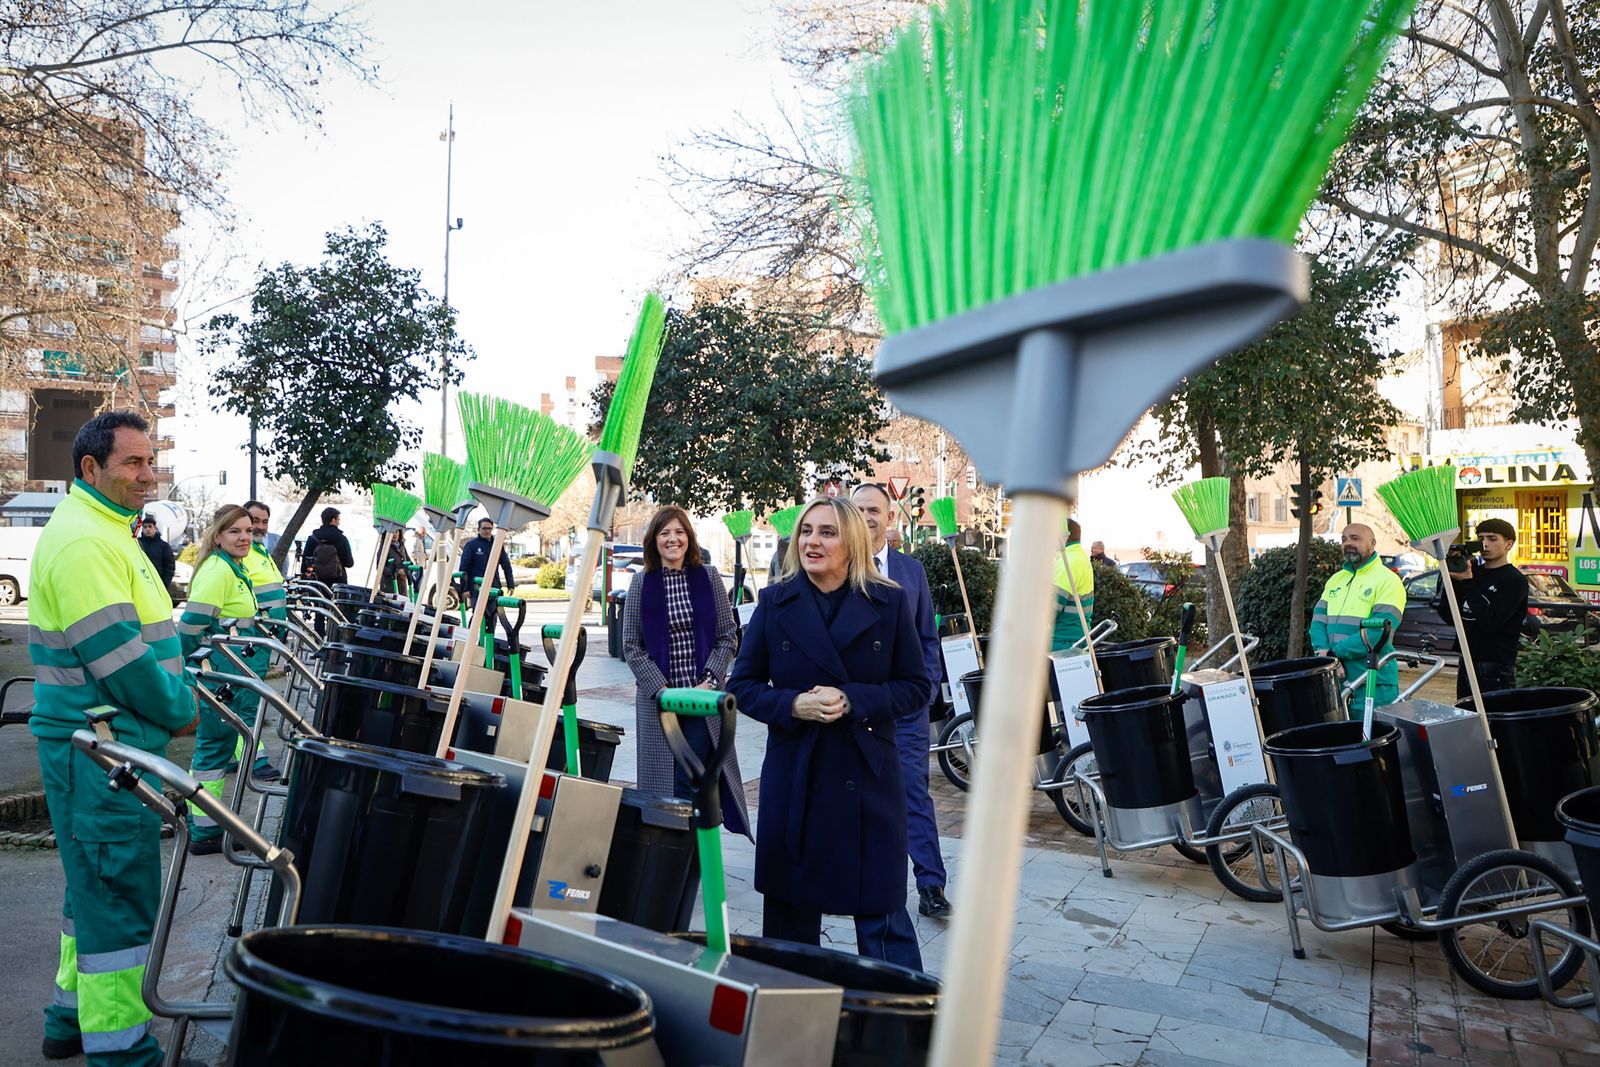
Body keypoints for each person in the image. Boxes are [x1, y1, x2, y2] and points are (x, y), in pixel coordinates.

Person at [28, 411, 197, 1065]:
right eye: (133, 462)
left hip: (101, 744)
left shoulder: (104, 529)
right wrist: (181, 709)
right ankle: (122, 1051)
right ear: (90, 468)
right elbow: (120, 658)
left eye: (151, 460)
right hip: (102, 746)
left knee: (89, 889)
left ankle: (70, 1018)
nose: (147, 474)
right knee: (118, 896)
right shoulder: (85, 542)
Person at [729, 496, 929, 969]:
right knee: (789, 920)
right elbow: (742, 686)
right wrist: (794, 704)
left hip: (867, 776)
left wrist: (854, 699)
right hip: (796, 774)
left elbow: (917, 687)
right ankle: (788, 1016)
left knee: (881, 914)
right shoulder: (776, 601)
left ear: (852, 542)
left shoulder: (890, 601)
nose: (812, 542)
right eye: (806, 531)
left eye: (827, 532)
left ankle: (897, 1024)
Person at [852, 483, 952, 919]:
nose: (867, 516)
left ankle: (930, 883)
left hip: (906, 709)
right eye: (859, 510)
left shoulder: (911, 571)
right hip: (855, 707)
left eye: (874, 509)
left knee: (913, 792)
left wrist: (926, 689)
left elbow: (927, 637)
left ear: (890, 517)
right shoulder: (839, 566)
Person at [621, 505, 751, 837]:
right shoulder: (641, 584)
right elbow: (631, 646)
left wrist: (710, 680)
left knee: (697, 783)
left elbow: (727, 635)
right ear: (654, 541)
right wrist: (661, 690)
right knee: (665, 786)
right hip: (660, 703)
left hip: (700, 701)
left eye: (679, 532)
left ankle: (697, 856)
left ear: (689, 538)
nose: (672, 539)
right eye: (665, 533)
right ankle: (671, 854)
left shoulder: (707, 577)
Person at [179, 505, 275, 854]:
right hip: (219, 672)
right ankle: (203, 830)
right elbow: (190, 627)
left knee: (217, 751)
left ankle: (206, 826)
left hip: (229, 672)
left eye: (248, 531)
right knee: (212, 751)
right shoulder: (218, 571)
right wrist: (187, 664)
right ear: (218, 536)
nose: (245, 537)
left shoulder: (231, 568)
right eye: (235, 531)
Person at [1310, 523, 1407, 706]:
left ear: (1372, 544)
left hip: (1372, 681)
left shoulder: (1388, 581)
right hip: (1335, 677)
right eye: (1344, 539)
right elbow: (1317, 623)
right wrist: (1325, 655)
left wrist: (1333, 654)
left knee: (1371, 734)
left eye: (1355, 538)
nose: (1348, 543)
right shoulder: (1336, 580)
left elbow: (1378, 632)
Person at [1434, 518, 1527, 699]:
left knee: (1494, 721)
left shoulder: (1514, 580)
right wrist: (1452, 576)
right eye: (1481, 538)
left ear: (1509, 544)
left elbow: (1491, 623)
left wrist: (1468, 583)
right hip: (1467, 659)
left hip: (1495, 665)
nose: (1485, 544)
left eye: (1492, 538)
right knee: (1467, 717)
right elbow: (1448, 613)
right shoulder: (1472, 571)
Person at [1051, 519, 1095, 651]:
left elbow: (1051, 609)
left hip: (1060, 641)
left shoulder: (1067, 563)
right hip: (1078, 637)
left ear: (1064, 535)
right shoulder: (1081, 558)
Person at [241, 500, 287, 623]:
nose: (261, 527)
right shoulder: (241, 552)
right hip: (258, 629)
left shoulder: (260, 548)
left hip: (272, 628)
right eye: (255, 521)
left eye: (265, 522)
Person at [458, 516, 514, 607]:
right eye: (484, 528)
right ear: (478, 529)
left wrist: (510, 584)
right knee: (478, 618)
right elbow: (464, 568)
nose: (487, 531)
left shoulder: (497, 545)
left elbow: (506, 565)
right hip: (476, 589)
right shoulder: (471, 545)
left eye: (489, 529)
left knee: (493, 617)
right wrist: (465, 588)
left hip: (494, 588)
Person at [302, 506, 354, 585]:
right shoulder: (341, 538)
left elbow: (305, 564)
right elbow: (349, 563)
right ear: (333, 520)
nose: (339, 522)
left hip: (316, 583)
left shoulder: (312, 538)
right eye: (338, 519)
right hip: (338, 583)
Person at [135, 514, 176, 591]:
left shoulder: (164, 546)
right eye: (145, 527)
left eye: (150, 526)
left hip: (157, 584)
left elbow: (169, 566)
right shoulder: (136, 543)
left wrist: (164, 584)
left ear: (155, 528)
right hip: (139, 584)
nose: (147, 529)